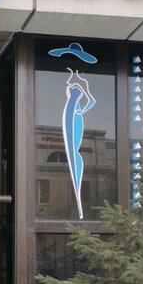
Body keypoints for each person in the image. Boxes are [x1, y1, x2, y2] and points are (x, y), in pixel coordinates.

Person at [62, 68, 95, 220]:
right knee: (70, 150)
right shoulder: (71, 79)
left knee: (74, 150)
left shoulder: (82, 82)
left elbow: (92, 101)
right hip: (69, 111)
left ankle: (79, 202)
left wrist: (82, 111)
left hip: (75, 113)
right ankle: (78, 203)